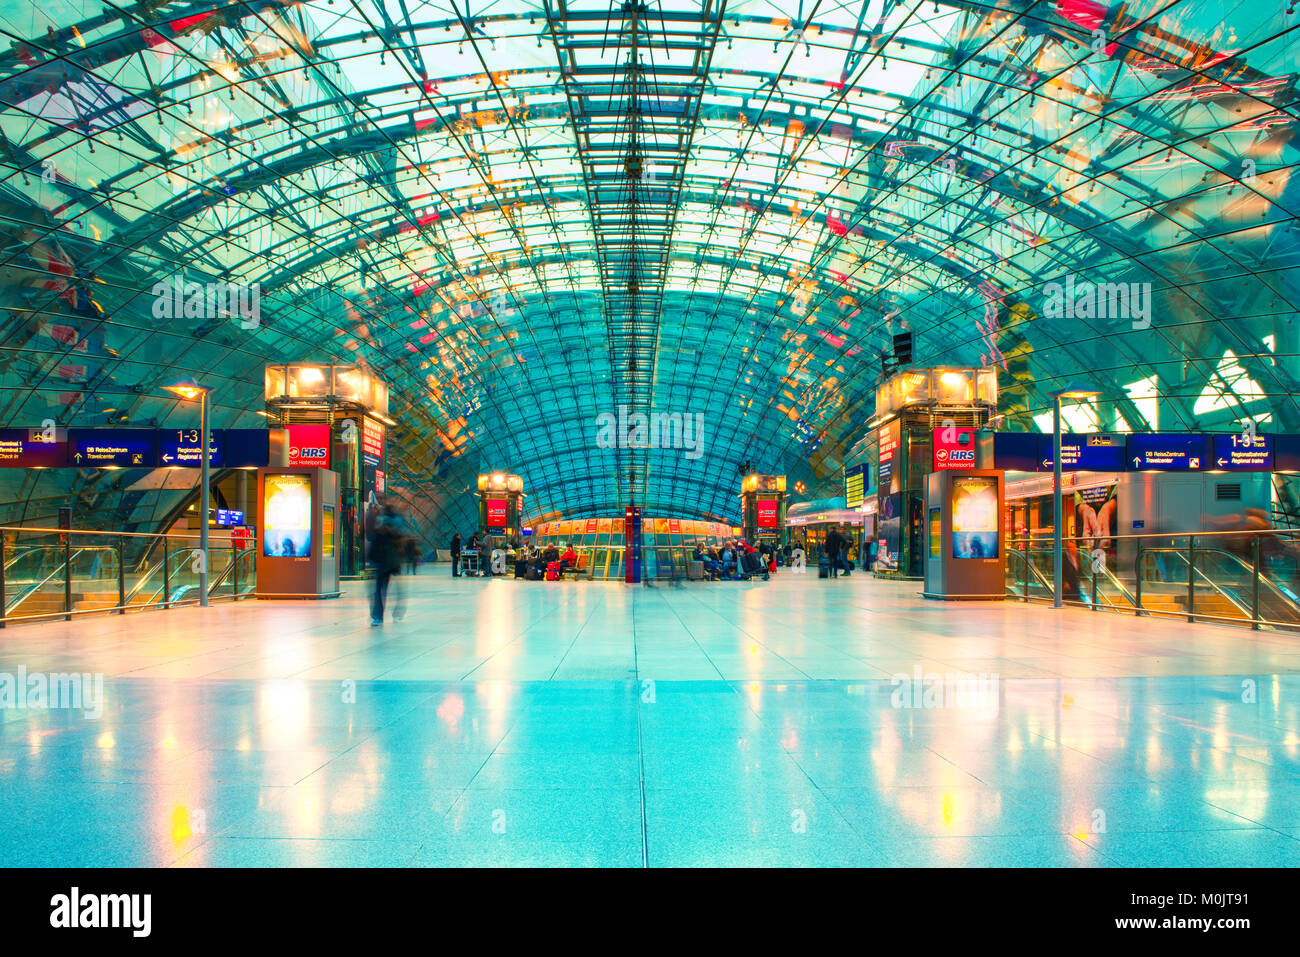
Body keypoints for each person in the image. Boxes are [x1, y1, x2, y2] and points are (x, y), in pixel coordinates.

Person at [368, 502, 404, 625]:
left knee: (380, 590)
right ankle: (393, 614)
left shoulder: (382, 534)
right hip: (389, 564)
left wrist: (371, 560)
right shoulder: (395, 535)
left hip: (384, 564)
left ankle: (378, 616)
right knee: (389, 590)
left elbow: (373, 547)